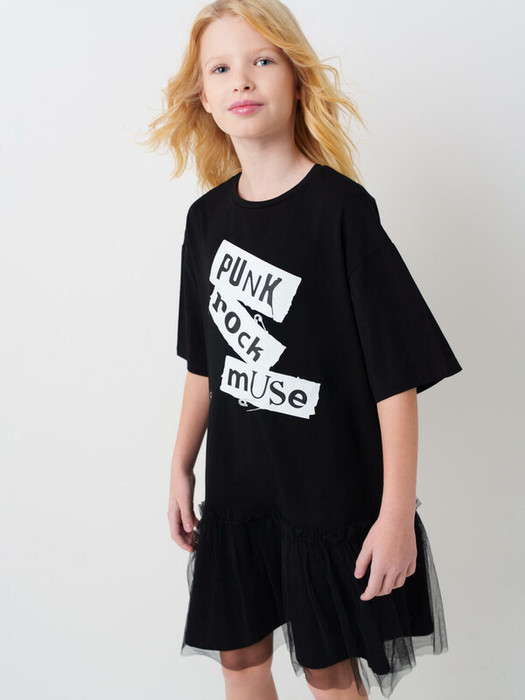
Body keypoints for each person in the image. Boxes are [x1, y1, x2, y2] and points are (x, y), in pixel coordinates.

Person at [143, 1, 463, 698]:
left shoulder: (341, 211)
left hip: (328, 498)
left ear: (295, 79)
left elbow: (395, 378)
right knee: (239, 661)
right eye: (220, 68)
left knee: (329, 672)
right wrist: (179, 466)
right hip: (238, 496)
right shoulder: (206, 221)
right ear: (203, 97)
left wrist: (395, 514)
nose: (241, 79)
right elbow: (205, 361)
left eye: (262, 60)